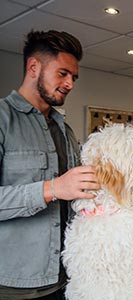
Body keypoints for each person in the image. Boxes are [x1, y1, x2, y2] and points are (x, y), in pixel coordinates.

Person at [0, 30, 99, 299]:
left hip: (65, 281)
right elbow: (60, 189)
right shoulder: (2, 120)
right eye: (63, 74)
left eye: (74, 77)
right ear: (34, 67)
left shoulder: (64, 130)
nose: (70, 84)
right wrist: (53, 188)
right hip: (11, 287)